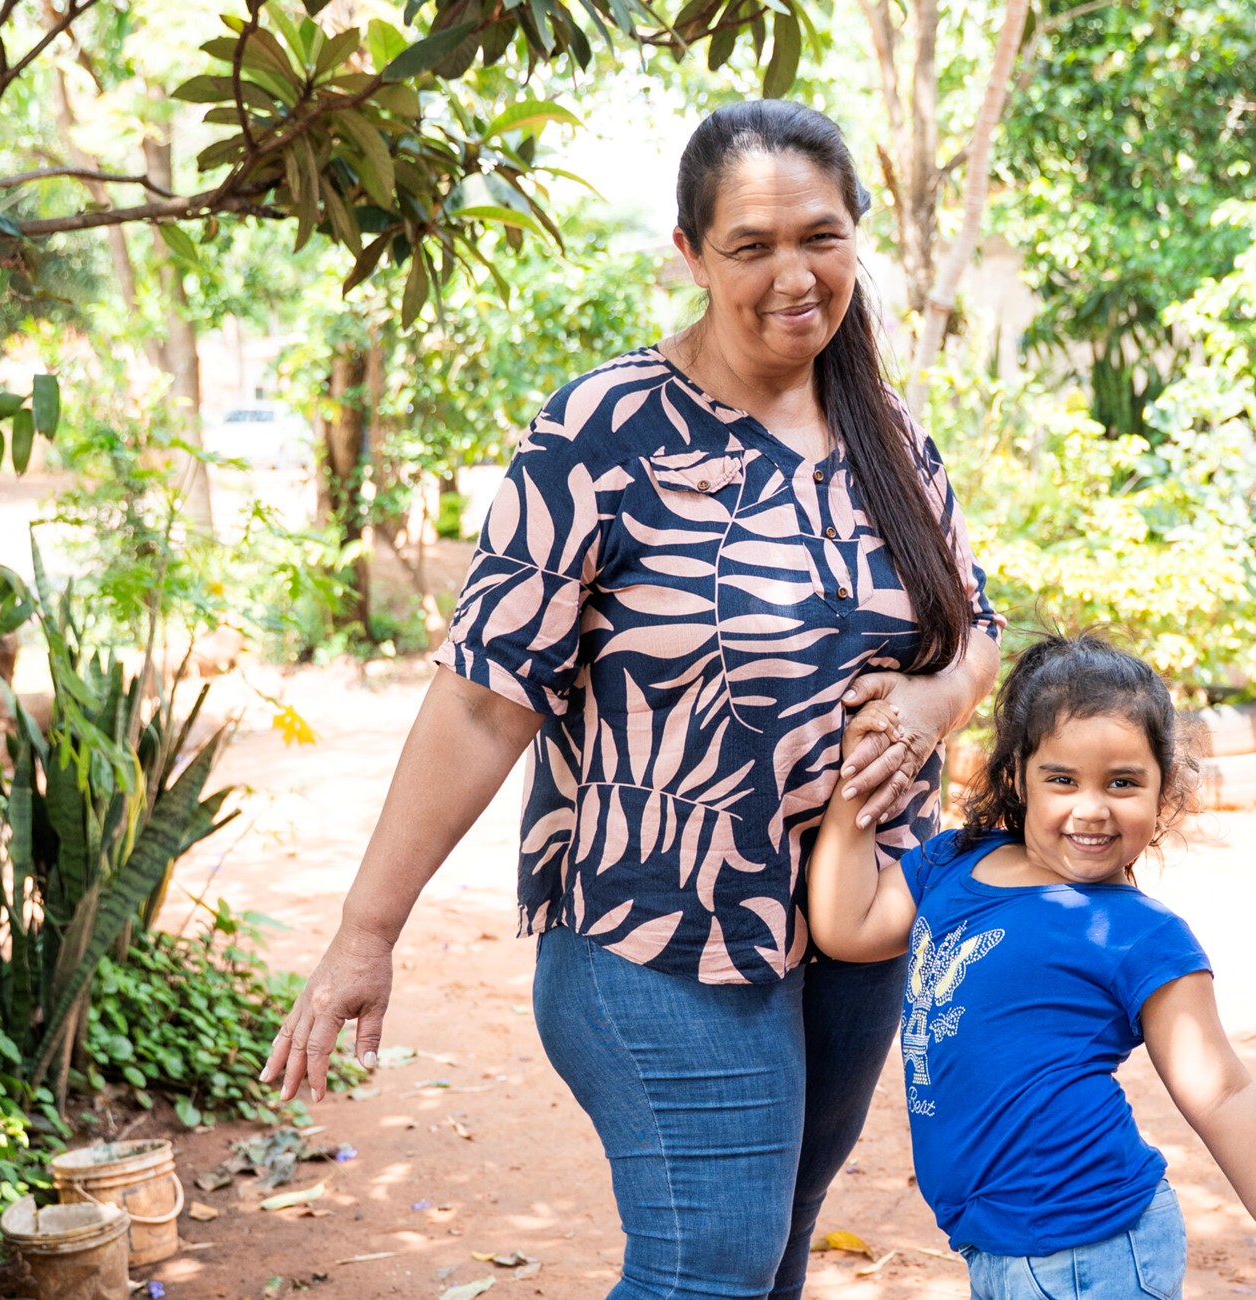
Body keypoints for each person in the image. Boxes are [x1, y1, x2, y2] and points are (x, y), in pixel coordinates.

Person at [257, 98, 1002, 1300]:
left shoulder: (885, 429)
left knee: (774, 1249)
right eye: (752, 245)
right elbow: (483, 699)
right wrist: (366, 930)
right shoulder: (600, 433)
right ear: (692, 253)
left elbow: (974, 628)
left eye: (820, 236)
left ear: (857, 235)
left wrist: (933, 702)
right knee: (711, 1261)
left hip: (859, 917)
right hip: (660, 929)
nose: (794, 275)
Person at [809, 634, 1256, 1299]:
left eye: (1123, 783)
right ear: (1017, 776)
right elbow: (847, 928)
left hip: (1091, 1252)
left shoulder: (1142, 935)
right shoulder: (953, 861)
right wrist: (857, 786)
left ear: (1164, 789)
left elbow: (1221, 1089)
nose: (1092, 808)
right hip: (999, 1248)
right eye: (1062, 779)